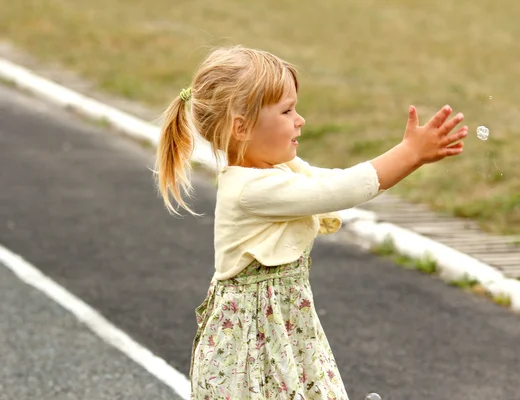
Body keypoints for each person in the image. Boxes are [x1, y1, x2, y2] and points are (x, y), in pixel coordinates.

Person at [154, 45, 468, 399]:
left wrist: (413, 156)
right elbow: (340, 189)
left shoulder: (280, 172)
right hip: (250, 342)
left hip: (285, 330)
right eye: (287, 111)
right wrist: (410, 153)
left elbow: (334, 181)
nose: (299, 119)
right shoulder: (250, 190)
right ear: (241, 127)